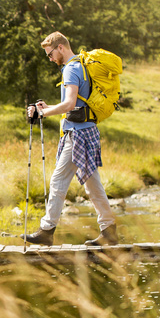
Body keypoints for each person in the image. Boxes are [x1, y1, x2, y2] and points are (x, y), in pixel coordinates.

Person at [22, 31, 119, 246]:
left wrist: (41, 113)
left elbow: (69, 104)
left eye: (49, 54)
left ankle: (46, 230)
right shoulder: (79, 67)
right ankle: (109, 230)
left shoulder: (71, 69)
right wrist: (48, 107)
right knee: (92, 185)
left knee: (58, 181)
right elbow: (75, 104)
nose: (49, 59)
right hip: (85, 131)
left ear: (60, 48)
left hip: (77, 135)